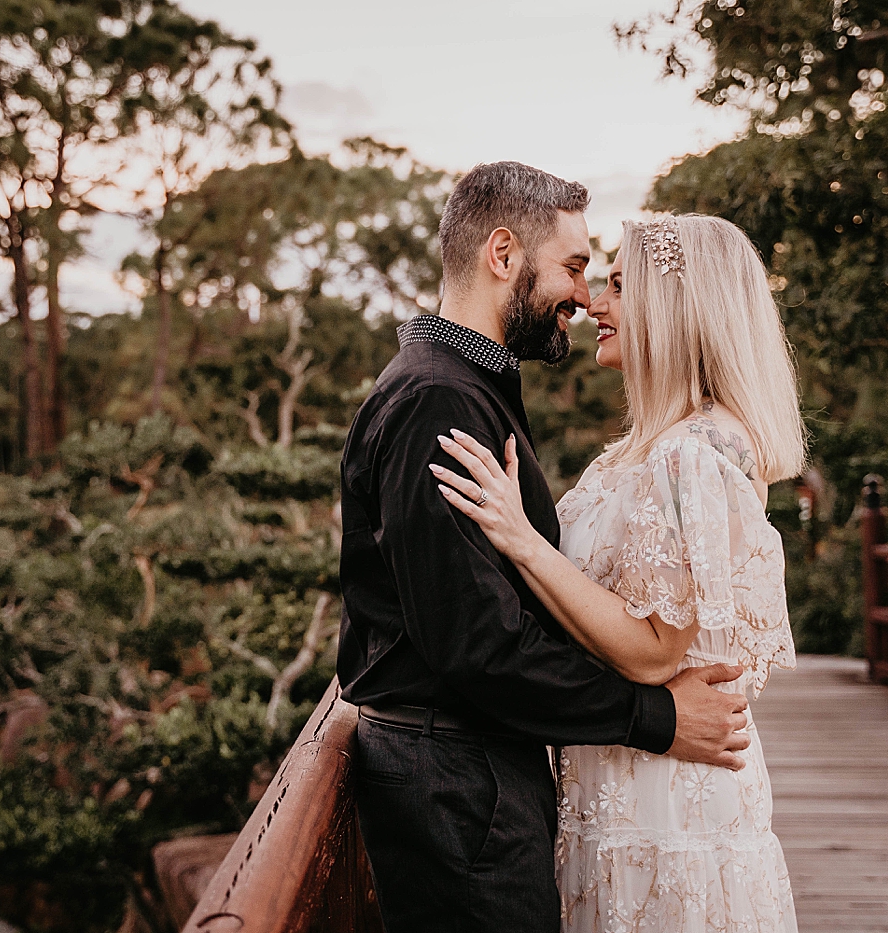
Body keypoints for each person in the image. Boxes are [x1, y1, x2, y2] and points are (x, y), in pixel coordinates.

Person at [337, 163, 753, 933]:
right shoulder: (439, 399)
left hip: (475, 772)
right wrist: (654, 716)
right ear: (503, 255)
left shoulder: (468, 387)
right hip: (458, 780)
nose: (584, 295)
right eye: (574, 266)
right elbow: (477, 644)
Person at [434, 213, 804, 932]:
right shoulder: (647, 448)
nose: (594, 305)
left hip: (668, 793)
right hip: (618, 777)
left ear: (677, 304)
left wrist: (521, 539)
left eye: (616, 285)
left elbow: (658, 645)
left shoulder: (698, 452)